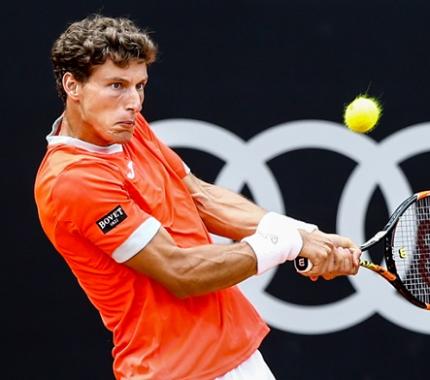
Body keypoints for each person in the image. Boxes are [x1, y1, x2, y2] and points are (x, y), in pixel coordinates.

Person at [34, 14, 361, 380]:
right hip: (176, 370)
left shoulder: (126, 127)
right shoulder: (72, 179)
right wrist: (286, 244)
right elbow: (179, 271)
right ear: (72, 86)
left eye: (140, 86)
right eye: (116, 86)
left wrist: (304, 234)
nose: (134, 102)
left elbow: (201, 197)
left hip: (237, 355)